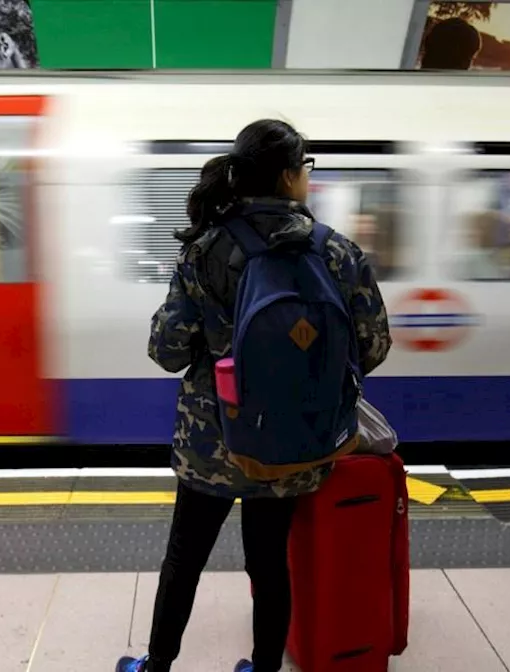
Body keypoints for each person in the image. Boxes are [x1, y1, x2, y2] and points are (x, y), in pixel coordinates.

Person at [117, 120, 392, 672]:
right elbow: (374, 347)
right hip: (295, 443)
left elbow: (166, 349)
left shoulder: (207, 249)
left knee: (183, 560)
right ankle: (263, 669)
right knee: (269, 565)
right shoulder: (337, 252)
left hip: (212, 443)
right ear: (291, 175)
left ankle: (156, 666)